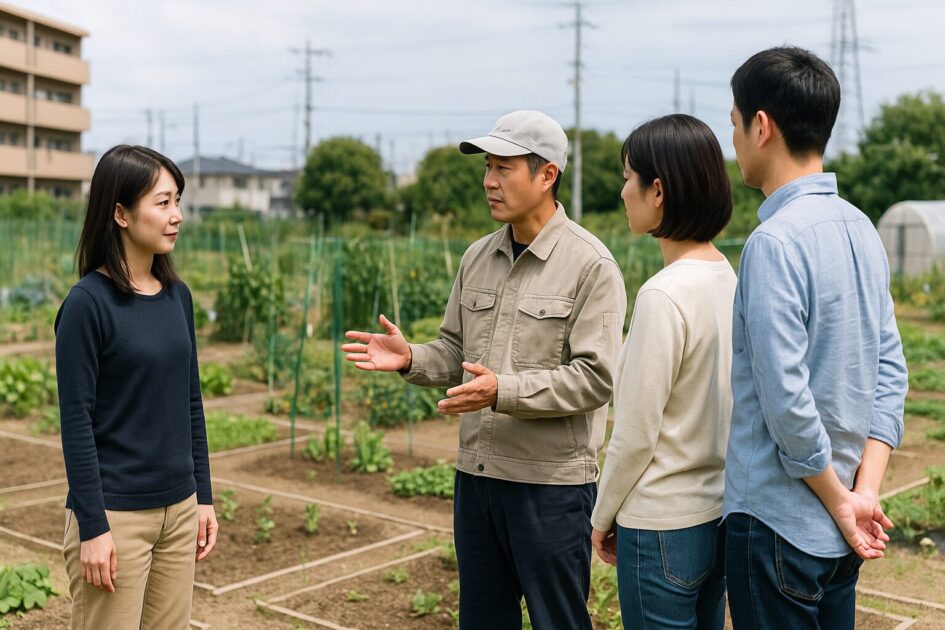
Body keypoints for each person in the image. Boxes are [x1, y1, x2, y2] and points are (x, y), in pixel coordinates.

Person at [342, 110, 626, 629]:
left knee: (557, 620)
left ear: (547, 175)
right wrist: (411, 358)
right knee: (481, 619)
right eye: (488, 167)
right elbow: (455, 351)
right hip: (477, 478)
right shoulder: (477, 256)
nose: (488, 181)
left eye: (503, 168)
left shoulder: (591, 265)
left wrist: (503, 391)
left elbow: (596, 376)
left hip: (550, 487)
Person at [723, 47, 908, 629]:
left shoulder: (774, 242)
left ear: (761, 126)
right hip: (844, 521)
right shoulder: (862, 228)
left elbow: (786, 401)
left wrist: (839, 501)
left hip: (778, 522)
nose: (734, 143)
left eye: (733, 124)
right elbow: (890, 371)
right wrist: (863, 491)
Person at [55, 145, 218, 630]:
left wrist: (202, 496)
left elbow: (190, 401)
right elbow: (76, 422)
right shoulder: (88, 304)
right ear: (121, 213)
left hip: (179, 509)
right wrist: (93, 527)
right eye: (163, 203)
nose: (177, 216)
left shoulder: (177, 297)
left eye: (177, 202)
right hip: (116, 516)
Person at [590, 114, 735, 629]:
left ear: (658, 190)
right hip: (717, 514)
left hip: (659, 525)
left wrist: (601, 516)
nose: (622, 190)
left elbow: (634, 435)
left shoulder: (663, 294)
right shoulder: (729, 279)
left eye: (629, 177)